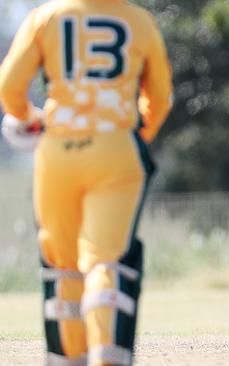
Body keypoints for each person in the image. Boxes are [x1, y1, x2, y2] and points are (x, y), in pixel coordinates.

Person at [0, 0, 172, 364]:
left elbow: (10, 87)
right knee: (103, 261)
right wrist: (138, 133)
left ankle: (67, 358)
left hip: (57, 151)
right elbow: (158, 100)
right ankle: (106, 356)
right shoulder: (139, 21)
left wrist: (29, 118)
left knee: (63, 264)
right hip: (115, 149)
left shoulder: (46, 17)